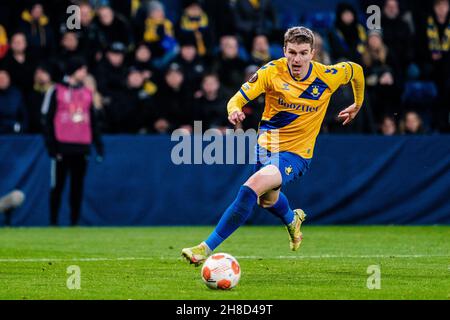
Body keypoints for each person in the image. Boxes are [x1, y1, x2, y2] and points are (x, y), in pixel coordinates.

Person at [182, 26, 365, 265]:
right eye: (292, 52)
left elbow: (357, 71)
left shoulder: (328, 75)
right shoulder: (271, 72)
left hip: (296, 154)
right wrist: (234, 110)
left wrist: (357, 104)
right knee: (266, 200)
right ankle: (292, 219)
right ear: (284, 51)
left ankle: (204, 249)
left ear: (313, 53)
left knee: (251, 187)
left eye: (302, 53)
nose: (296, 59)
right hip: (266, 147)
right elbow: (237, 98)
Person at [41, 56, 103, 226]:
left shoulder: (87, 93)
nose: (85, 73)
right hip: (62, 147)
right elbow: (47, 119)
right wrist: (52, 147)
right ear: (75, 70)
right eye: (82, 69)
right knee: (58, 187)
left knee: (77, 188)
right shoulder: (56, 90)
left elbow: (93, 121)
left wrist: (98, 145)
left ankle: (73, 223)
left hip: (81, 147)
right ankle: (53, 223)